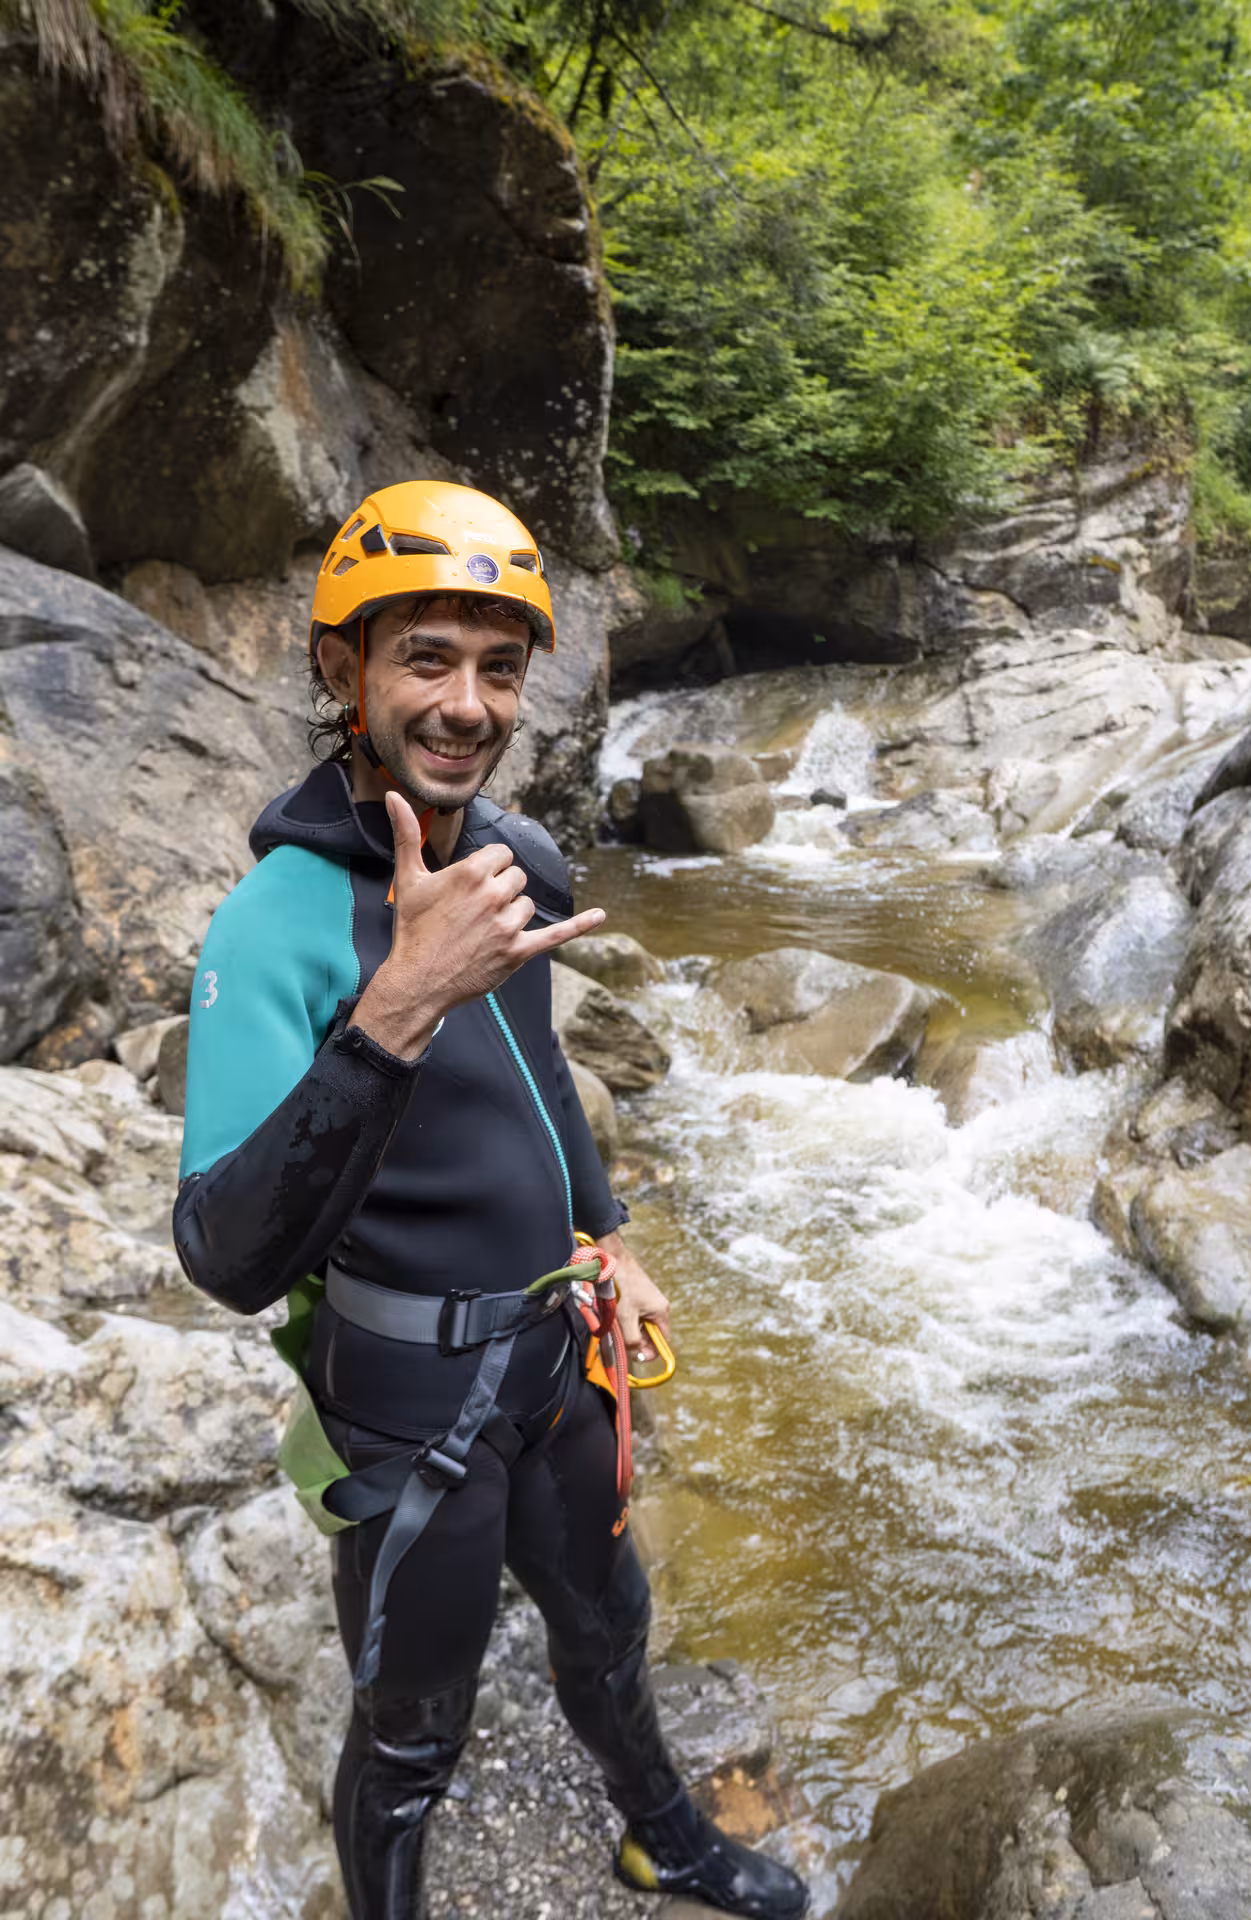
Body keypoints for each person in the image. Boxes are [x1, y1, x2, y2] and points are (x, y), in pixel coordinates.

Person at [172, 479, 809, 1920]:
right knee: (411, 1728)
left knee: (609, 1631)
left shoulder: (515, 858)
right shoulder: (278, 914)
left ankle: (666, 1841)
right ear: (342, 670)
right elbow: (222, 1248)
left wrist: (610, 1236)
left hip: (553, 1356)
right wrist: (392, 1008)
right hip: (407, 1401)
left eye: (500, 668)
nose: (468, 705)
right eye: (426, 660)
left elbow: (536, 1073)